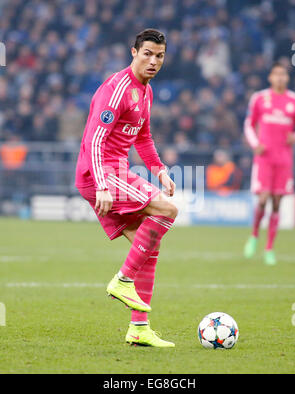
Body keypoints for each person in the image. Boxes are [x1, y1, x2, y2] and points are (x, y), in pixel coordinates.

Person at [75, 29, 177, 347]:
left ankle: (139, 328)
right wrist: (103, 185)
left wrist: (159, 170)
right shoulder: (118, 88)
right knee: (167, 210)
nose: (153, 61)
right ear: (133, 52)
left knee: (149, 247)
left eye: (159, 55)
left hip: (115, 171)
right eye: (147, 53)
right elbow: (94, 138)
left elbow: (143, 138)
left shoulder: (146, 92)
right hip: (100, 173)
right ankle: (122, 280)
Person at [244, 63, 295, 265]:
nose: (280, 78)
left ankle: (269, 248)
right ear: (270, 77)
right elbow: (249, 124)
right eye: (276, 74)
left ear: (287, 77)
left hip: (284, 159)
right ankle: (254, 235)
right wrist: (255, 144)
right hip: (264, 157)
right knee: (263, 199)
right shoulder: (259, 98)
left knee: (277, 202)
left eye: (283, 74)